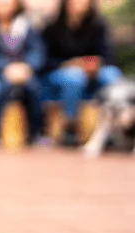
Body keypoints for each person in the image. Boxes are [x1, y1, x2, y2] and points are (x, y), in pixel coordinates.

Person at [41, 0, 122, 147]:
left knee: (112, 74)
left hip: (92, 73)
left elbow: (108, 56)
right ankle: (70, 126)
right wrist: (69, 64)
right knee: (74, 77)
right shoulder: (52, 27)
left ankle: (112, 127)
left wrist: (96, 64)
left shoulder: (99, 26)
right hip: (60, 74)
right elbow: (44, 61)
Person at [0, 0, 46, 145]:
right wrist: (6, 67)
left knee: (34, 86)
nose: (4, 6)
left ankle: (36, 132)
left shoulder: (26, 27)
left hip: (24, 72)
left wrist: (26, 67)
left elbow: (37, 52)